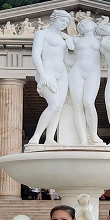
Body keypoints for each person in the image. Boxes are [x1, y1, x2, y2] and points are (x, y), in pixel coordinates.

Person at [28, 10, 74, 145]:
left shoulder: (63, 39)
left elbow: (67, 60)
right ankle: (36, 137)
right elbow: (36, 54)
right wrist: (42, 74)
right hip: (48, 72)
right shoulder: (42, 34)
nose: (64, 24)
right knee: (53, 105)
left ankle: (49, 138)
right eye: (62, 21)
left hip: (62, 73)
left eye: (66, 23)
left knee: (59, 107)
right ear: (54, 19)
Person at [67, 18, 105, 145]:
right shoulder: (76, 39)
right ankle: (83, 139)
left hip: (93, 72)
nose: (82, 24)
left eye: (86, 22)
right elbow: (58, 37)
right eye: (80, 24)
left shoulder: (101, 40)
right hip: (77, 71)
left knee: (89, 102)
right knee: (77, 106)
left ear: (94, 25)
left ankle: (94, 136)